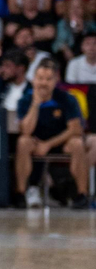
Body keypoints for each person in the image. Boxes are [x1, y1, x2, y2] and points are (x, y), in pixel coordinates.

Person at [12, 62, 89, 209]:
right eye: (40, 78)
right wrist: (35, 104)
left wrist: (48, 144)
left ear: (55, 81)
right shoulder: (25, 100)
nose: (44, 83)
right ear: (34, 79)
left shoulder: (67, 98)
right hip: (35, 141)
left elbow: (75, 129)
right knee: (23, 142)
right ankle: (20, 193)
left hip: (60, 141)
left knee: (78, 143)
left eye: (48, 79)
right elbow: (26, 130)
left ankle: (81, 195)